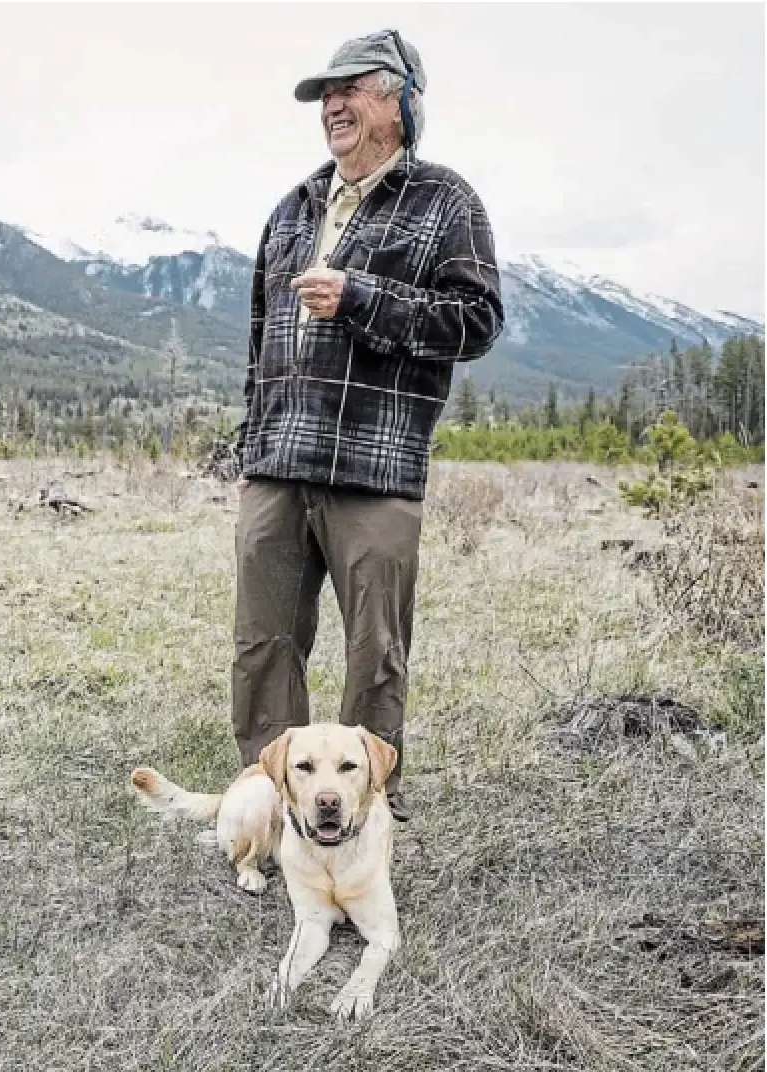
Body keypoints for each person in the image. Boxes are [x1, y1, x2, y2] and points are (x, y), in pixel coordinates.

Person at [232, 30, 504, 821]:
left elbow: (477, 322)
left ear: (402, 100)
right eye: (326, 94)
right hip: (279, 462)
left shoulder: (444, 201)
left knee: (373, 653)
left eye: (353, 88)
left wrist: (360, 298)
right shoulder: (294, 208)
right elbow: (261, 344)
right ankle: (274, 808)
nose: (333, 105)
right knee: (262, 644)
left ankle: (365, 812)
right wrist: (250, 449)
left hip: (375, 471)